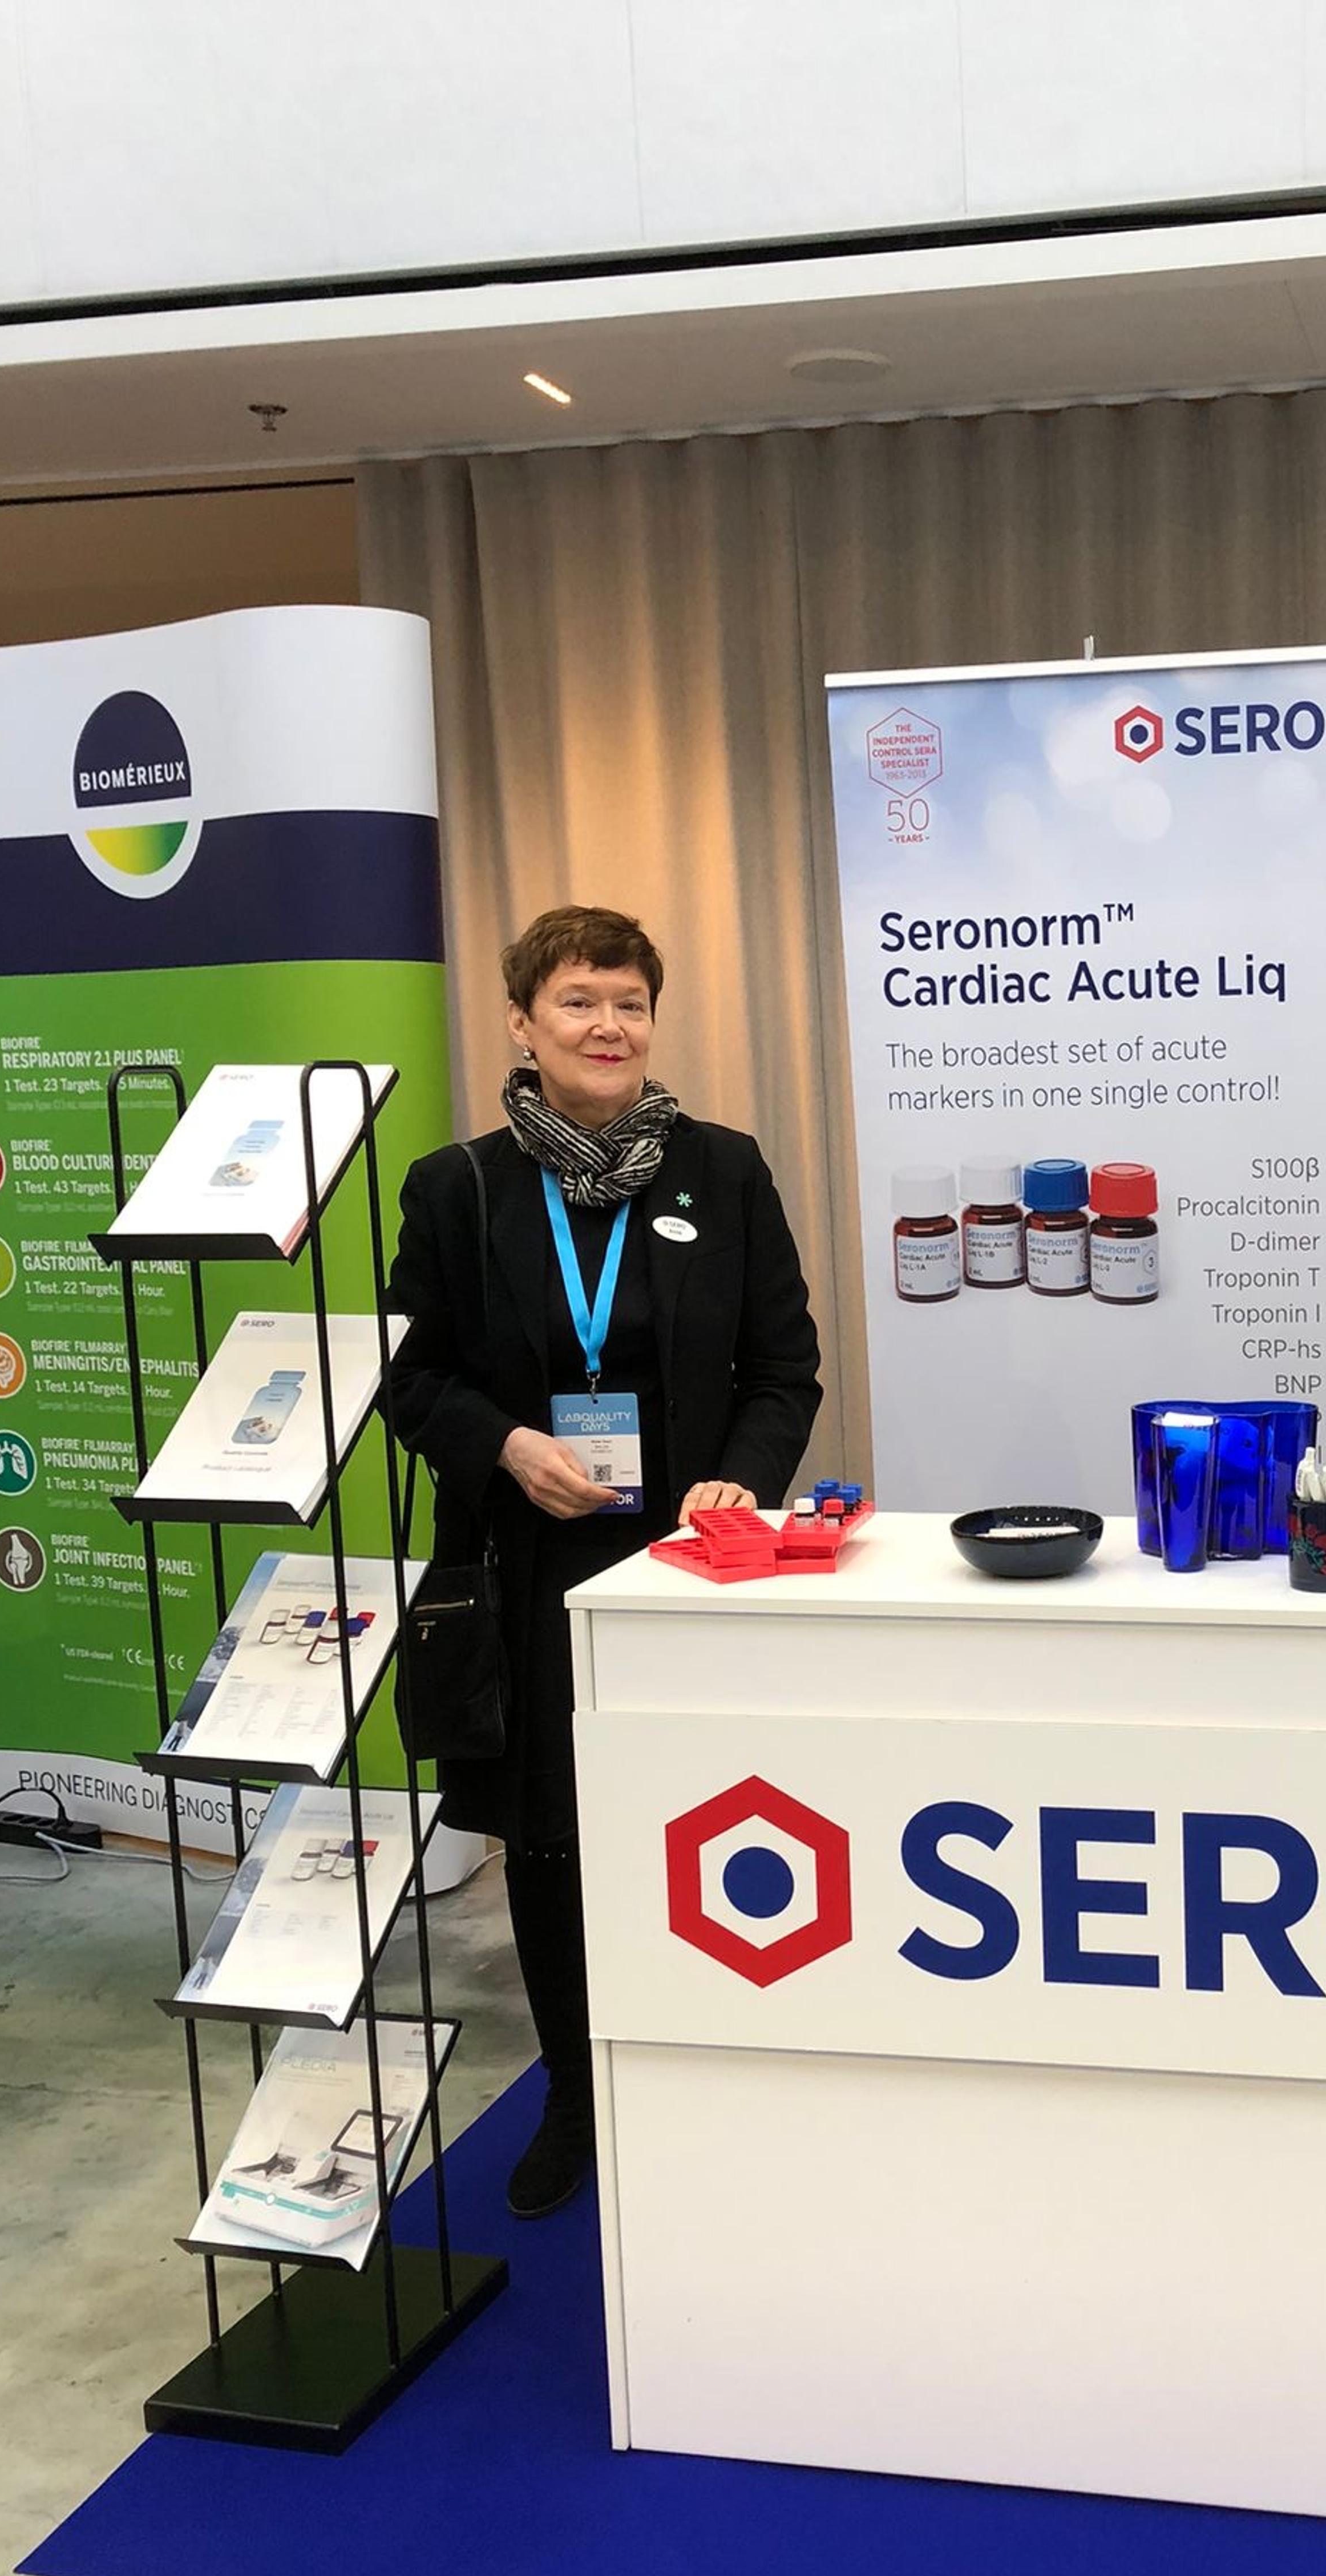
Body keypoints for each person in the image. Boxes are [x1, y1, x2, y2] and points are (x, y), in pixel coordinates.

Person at [389, 906, 822, 2216]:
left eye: (630, 1002)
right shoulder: (459, 1189)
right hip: (532, 1562)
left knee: (708, 1825)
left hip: (690, 1560)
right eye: (579, 1001)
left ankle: (711, 2069)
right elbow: (411, 1377)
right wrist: (509, 1444)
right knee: (554, 1842)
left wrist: (740, 1480)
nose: (609, 1025)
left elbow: (783, 1367)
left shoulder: (723, 1169)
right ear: (522, 1023)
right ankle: (578, 2097)